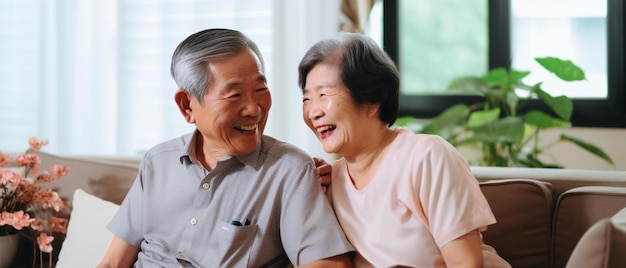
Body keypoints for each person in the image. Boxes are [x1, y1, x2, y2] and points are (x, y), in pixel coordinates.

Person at [97, 28, 354, 268]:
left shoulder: (290, 171)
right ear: (187, 105)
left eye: (260, 89)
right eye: (234, 95)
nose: (254, 109)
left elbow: (329, 263)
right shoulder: (158, 162)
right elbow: (112, 262)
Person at [298, 32, 512, 268]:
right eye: (306, 99)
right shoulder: (330, 181)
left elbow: (466, 263)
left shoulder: (426, 157)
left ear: (372, 100)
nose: (313, 111)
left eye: (323, 94)